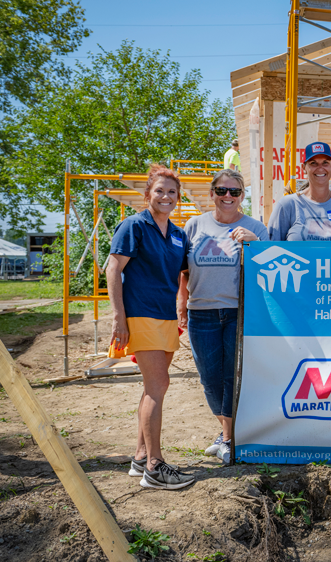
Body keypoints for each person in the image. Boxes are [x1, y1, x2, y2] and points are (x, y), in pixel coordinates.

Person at [108, 164, 194, 490]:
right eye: (159, 190)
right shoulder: (134, 225)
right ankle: (156, 468)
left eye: (172, 192)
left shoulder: (177, 234)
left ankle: (141, 456)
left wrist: (182, 303)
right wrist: (118, 317)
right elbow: (113, 269)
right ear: (148, 194)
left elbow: (184, 273)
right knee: (158, 385)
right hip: (140, 314)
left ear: (178, 197)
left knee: (152, 387)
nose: (166, 196)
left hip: (166, 316)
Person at [178, 169, 268, 465]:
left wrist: (255, 243)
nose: (227, 197)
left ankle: (228, 437)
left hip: (238, 313)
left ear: (243, 196)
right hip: (200, 312)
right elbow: (183, 271)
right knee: (209, 377)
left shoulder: (255, 227)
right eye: (221, 191)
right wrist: (181, 303)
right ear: (212, 194)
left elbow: (269, 270)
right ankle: (227, 431)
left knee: (233, 376)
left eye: (234, 192)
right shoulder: (194, 225)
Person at [268, 142, 331, 241]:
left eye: (325, 162)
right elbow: (270, 250)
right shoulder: (288, 205)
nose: (320, 167)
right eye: (313, 163)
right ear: (304, 168)